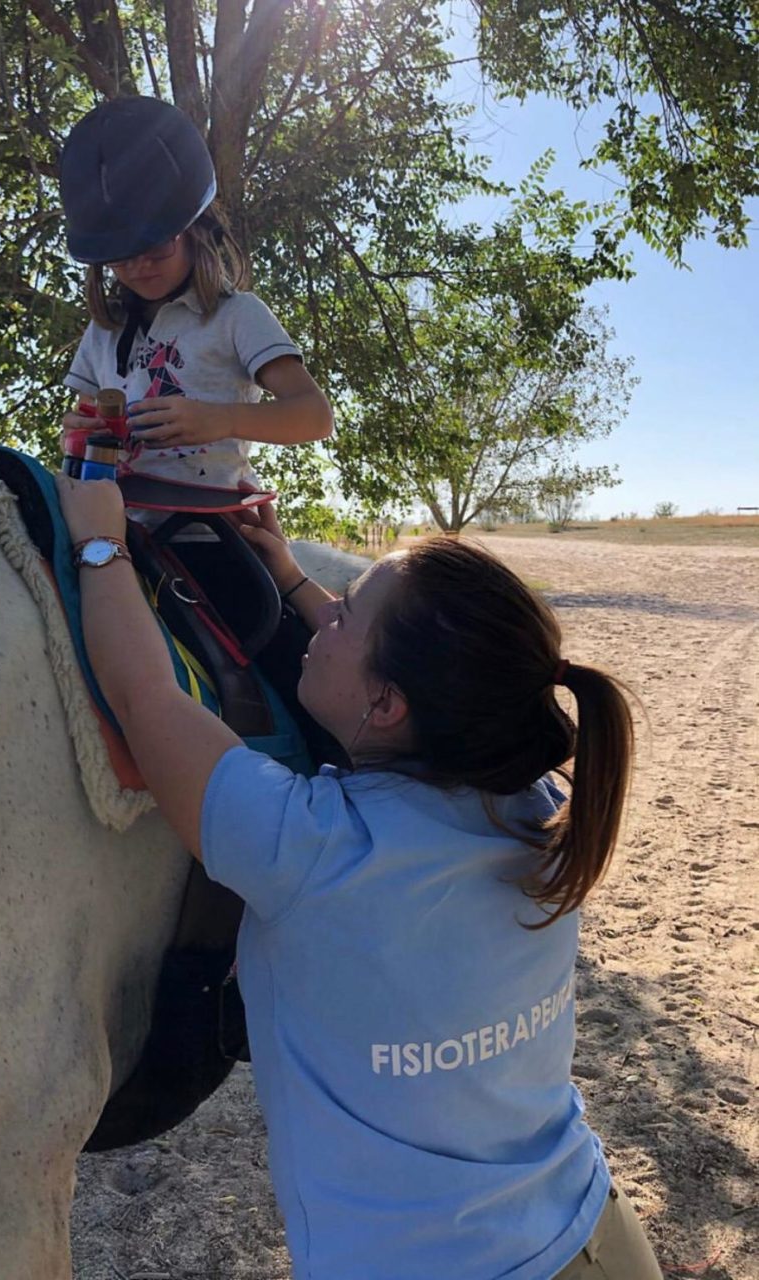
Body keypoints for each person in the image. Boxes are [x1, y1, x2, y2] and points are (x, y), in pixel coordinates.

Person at [56, 474, 664, 1280]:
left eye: (346, 610)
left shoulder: (308, 849)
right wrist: (294, 581)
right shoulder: (526, 801)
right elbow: (415, 691)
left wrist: (101, 545)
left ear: (387, 706)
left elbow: (145, 699)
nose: (328, 611)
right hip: (593, 1229)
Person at [58, 96, 332, 493]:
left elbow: (315, 416)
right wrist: (76, 431)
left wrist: (222, 419)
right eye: (119, 258)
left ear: (196, 231)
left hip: (206, 525)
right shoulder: (103, 331)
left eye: (155, 248)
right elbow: (78, 428)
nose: (138, 267)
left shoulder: (237, 316)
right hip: (112, 510)